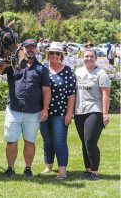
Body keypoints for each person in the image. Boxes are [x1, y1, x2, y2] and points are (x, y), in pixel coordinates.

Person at [2, 39, 51, 177]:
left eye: (33, 47)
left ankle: (28, 168)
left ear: (36, 50)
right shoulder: (13, 66)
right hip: (14, 110)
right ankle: (10, 168)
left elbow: (46, 91)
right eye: (27, 47)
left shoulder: (42, 69)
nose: (30, 49)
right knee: (11, 141)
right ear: (22, 49)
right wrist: (7, 61)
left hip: (33, 111)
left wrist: (45, 109)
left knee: (30, 141)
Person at [40, 42, 76, 179]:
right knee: (47, 140)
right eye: (52, 53)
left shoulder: (67, 71)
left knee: (59, 141)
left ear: (61, 55)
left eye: (57, 53)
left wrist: (69, 113)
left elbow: (72, 95)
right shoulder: (43, 69)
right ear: (48, 54)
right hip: (44, 111)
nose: (54, 55)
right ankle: (48, 166)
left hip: (60, 112)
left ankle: (62, 171)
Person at [74, 47, 111, 181]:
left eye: (91, 56)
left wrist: (105, 114)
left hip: (95, 110)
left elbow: (106, 95)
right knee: (84, 142)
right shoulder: (78, 72)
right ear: (82, 57)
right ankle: (88, 169)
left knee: (90, 141)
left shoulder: (101, 73)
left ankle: (95, 172)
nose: (88, 58)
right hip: (79, 111)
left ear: (96, 58)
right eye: (86, 56)